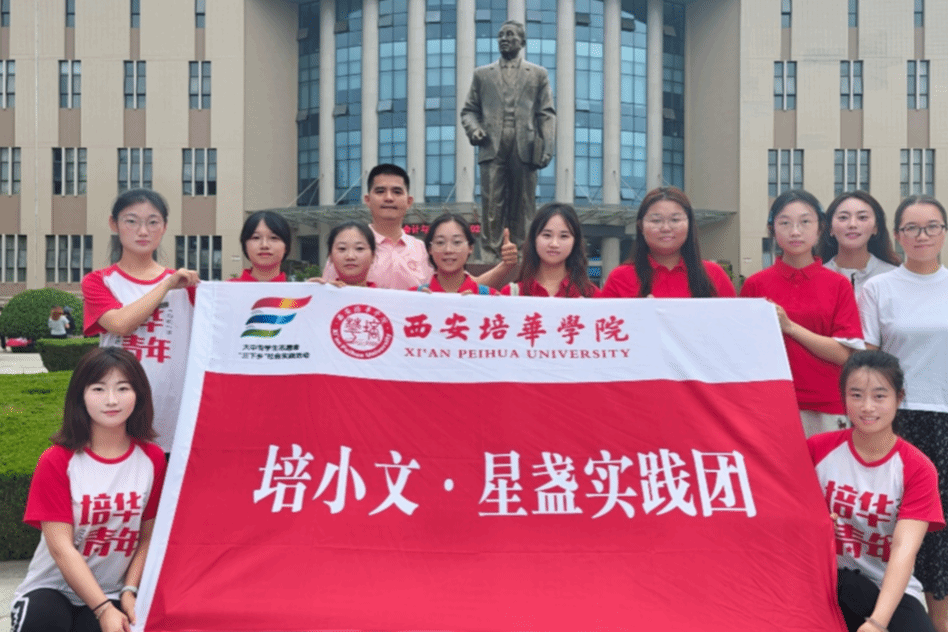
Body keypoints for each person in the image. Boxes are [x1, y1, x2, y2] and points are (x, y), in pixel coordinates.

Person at [9, 347, 167, 633]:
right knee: (42, 619)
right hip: (53, 587)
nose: (111, 400)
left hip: (112, 590)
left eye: (123, 388)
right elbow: (60, 548)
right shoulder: (58, 460)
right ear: (80, 396)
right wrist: (103, 609)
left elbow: (147, 537)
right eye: (98, 389)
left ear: (139, 395)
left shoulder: (152, 459)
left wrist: (129, 590)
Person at [859, 195, 948, 630]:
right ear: (896, 235)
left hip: (946, 418)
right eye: (911, 228)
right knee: (895, 525)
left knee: (941, 537)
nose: (922, 236)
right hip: (898, 419)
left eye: (931, 227)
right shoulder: (878, 289)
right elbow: (869, 363)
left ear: (944, 233)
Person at [809, 351, 943, 632]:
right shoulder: (817, 449)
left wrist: (877, 623)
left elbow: (904, 549)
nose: (867, 407)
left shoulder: (917, 468)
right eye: (856, 395)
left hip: (888, 587)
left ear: (899, 398)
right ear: (843, 397)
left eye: (879, 396)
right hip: (826, 581)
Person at [81, 188, 199, 452]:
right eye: (131, 221)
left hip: (175, 417)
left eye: (153, 222)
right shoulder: (100, 281)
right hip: (117, 412)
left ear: (164, 227)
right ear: (114, 224)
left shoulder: (187, 287)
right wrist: (167, 284)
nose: (143, 231)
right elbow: (120, 324)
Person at [740, 189, 863, 437]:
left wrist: (790, 327)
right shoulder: (755, 285)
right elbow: (743, 351)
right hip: (770, 402)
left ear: (820, 229)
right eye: (785, 223)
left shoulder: (838, 284)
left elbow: (845, 354)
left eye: (805, 222)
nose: (795, 232)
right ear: (772, 229)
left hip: (827, 405)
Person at [321, 164, 517, 289]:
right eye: (380, 191)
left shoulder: (422, 250)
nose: (389, 198)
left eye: (397, 192)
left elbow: (464, 286)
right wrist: (314, 290)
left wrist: (505, 266)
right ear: (367, 200)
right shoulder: (349, 248)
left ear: (409, 202)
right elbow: (327, 295)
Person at [460, 20, 556, 260]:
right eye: (501, 35)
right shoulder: (482, 74)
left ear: (522, 42)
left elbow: (545, 113)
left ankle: (523, 254)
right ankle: (490, 255)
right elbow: (469, 110)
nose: (504, 39)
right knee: (491, 204)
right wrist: (475, 130)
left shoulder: (538, 74)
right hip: (491, 145)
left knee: (523, 204)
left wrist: (547, 146)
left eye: (510, 35)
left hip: (526, 146)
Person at [601, 187, 735, 298]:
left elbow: (734, 319)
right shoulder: (620, 277)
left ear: (689, 224)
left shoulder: (714, 274)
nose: (666, 228)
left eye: (675, 220)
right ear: (641, 226)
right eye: (656, 220)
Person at [501, 202, 600, 297]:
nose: (554, 244)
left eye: (564, 236)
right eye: (547, 235)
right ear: (534, 239)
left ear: (575, 242)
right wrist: (504, 266)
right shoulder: (512, 293)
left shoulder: (591, 295)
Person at [821, 190, 900, 294]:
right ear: (830, 228)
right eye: (843, 217)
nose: (852, 224)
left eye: (862, 217)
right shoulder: (815, 278)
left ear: (876, 227)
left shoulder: (894, 277)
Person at [413, 213, 499, 295]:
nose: (448, 250)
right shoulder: (413, 295)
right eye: (440, 242)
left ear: (470, 248)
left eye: (457, 242)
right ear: (430, 249)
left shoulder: (489, 296)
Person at [312, 221, 376, 288]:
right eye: (342, 248)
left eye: (359, 248)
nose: (350, 256)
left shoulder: (381, 294)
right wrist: (309, 290)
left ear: (373, 255)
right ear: (330, 256)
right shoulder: (318, 292)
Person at [231, 211, 291, 282]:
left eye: (273, 237)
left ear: (286, 246)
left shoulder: (297, 289)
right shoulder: (226, 288)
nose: (264, 245)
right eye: (256, 237)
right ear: (245, 245)